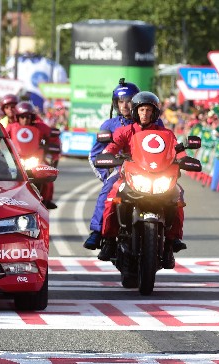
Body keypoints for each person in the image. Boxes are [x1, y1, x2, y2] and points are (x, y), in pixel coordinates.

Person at [100, 91, 186, 268]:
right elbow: (113, 145)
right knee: (112, 196)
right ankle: (109, 240)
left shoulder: (167, 134)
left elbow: (178, 151)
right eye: (141, 110)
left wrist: (185, 159)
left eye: (148, 110)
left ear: (154, 113)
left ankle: (171, 242)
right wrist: (107, 154)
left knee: (178, 196)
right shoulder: (126, 131)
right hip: (132, 177)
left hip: (160, 178)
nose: (145, 114)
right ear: (135, 112)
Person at [84, 79, 142, 255]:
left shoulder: (152, 122)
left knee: (175, 192)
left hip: (150, 171)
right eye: (120, 101)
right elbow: (95, 154)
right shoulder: (109, 125)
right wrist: (105, 173)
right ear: (116, 104)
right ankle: (98, 231)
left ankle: (172, 238)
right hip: (120, 171)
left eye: (129, 100)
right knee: (108, 190)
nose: (125, 105)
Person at [6, 101, 57, 209]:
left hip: (35, 158)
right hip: (15, 160)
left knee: (47, 174)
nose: (25, 119)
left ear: (32, 117)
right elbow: (2, 141)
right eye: (22, 117)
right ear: (18, 117)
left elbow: (53, 138)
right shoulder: (10, 127)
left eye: (28, 117)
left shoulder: (41, 127)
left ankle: (47, 200)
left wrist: (50, 149)